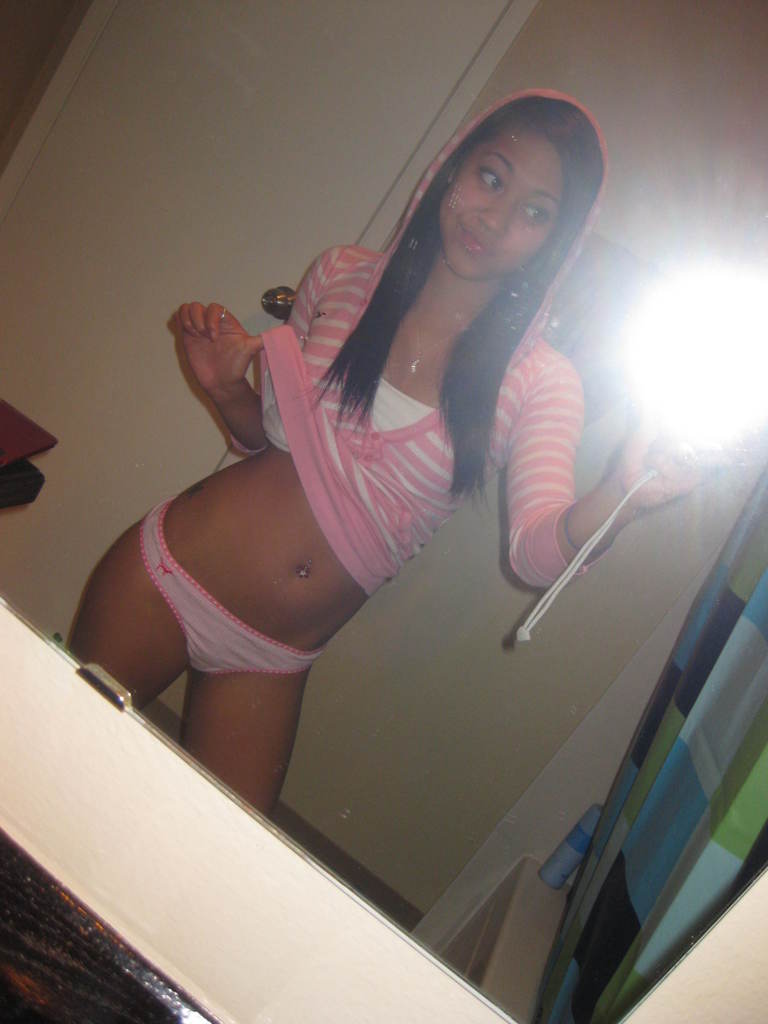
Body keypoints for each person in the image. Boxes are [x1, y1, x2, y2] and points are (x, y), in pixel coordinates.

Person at [69, 90, 698, 813]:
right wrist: (225, 390)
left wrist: (621, 493)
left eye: (534, 212)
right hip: (166, 573)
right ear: (453, 167)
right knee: (54, 768)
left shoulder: (540, 381)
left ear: (556, 242)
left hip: (271, 657)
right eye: (491, 178)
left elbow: (534, 555)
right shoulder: (340, 274)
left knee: (209, 849)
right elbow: (266, 445)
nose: (494, 219)